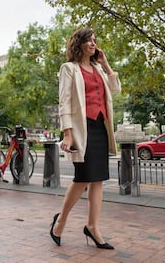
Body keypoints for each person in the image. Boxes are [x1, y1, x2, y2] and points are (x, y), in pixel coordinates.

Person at [50, 28, 121, 249]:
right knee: (82, 178)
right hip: (83, 129)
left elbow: (116, 89)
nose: (93, 44)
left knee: (98, 179)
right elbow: (64, 102)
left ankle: (93, 227)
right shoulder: (69, 69)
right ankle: (60, 221)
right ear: (79, 44)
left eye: (95, 41)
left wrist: (106, 63)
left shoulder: (99, 69)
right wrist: (68, 134)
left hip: (100, 128)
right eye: (89, 41)